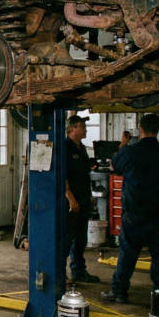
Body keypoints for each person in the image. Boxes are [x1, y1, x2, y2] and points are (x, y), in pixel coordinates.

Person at [101, 114, 159, 304]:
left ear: (141, 129)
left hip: (135, 211)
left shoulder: (129, 151)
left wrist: (123, 143)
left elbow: (113, 166)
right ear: (158, 129)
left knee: (128, 252)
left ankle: (119, 291)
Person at [64, 115, 100, 284]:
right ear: (72, 129)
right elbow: (62, 176)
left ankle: (78, 270)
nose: (85, 130)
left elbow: (85, 175)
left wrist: (89, 196)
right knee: (66, 238)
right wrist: (70, 198)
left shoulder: (82, 149)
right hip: (71, 201)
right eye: (82, 126)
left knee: (80, 239)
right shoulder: (65, 147)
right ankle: (60, 273)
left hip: (83, 199)